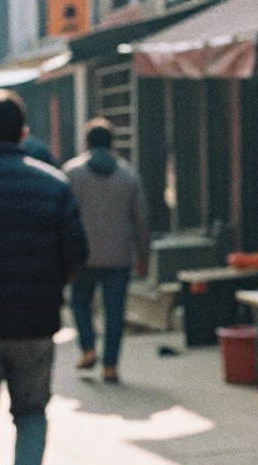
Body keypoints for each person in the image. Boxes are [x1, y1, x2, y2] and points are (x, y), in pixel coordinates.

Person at [0, 89, 88, 465]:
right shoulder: (53, 183)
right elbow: (76, 254)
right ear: (24, 132)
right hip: (35, 323)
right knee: (30, 412)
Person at [63, 117, 150, 384]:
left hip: (82, 255)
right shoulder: (128, 175)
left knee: (80, 302)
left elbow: (62, 216)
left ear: (87, 142)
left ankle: (88, 347)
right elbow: (141, 219)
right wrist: (144, 255)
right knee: (115, 311)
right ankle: (110, 366)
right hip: (119, 255)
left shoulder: (71, 173)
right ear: (112, 143)